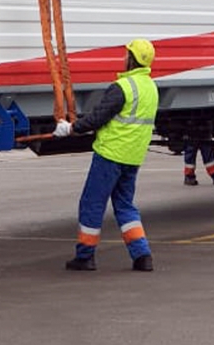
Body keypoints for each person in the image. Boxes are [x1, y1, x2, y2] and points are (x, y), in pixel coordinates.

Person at [53, 38, 158, 272]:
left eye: (126, 54)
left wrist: (70, 128)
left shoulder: (123, 87)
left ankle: (85, 255)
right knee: (125, 206)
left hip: (110, 155)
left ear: (131, 59)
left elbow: (97, 118)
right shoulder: (151, 87)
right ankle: (142, 255)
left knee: (92, 203)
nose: (123, 57)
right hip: (133, 157)